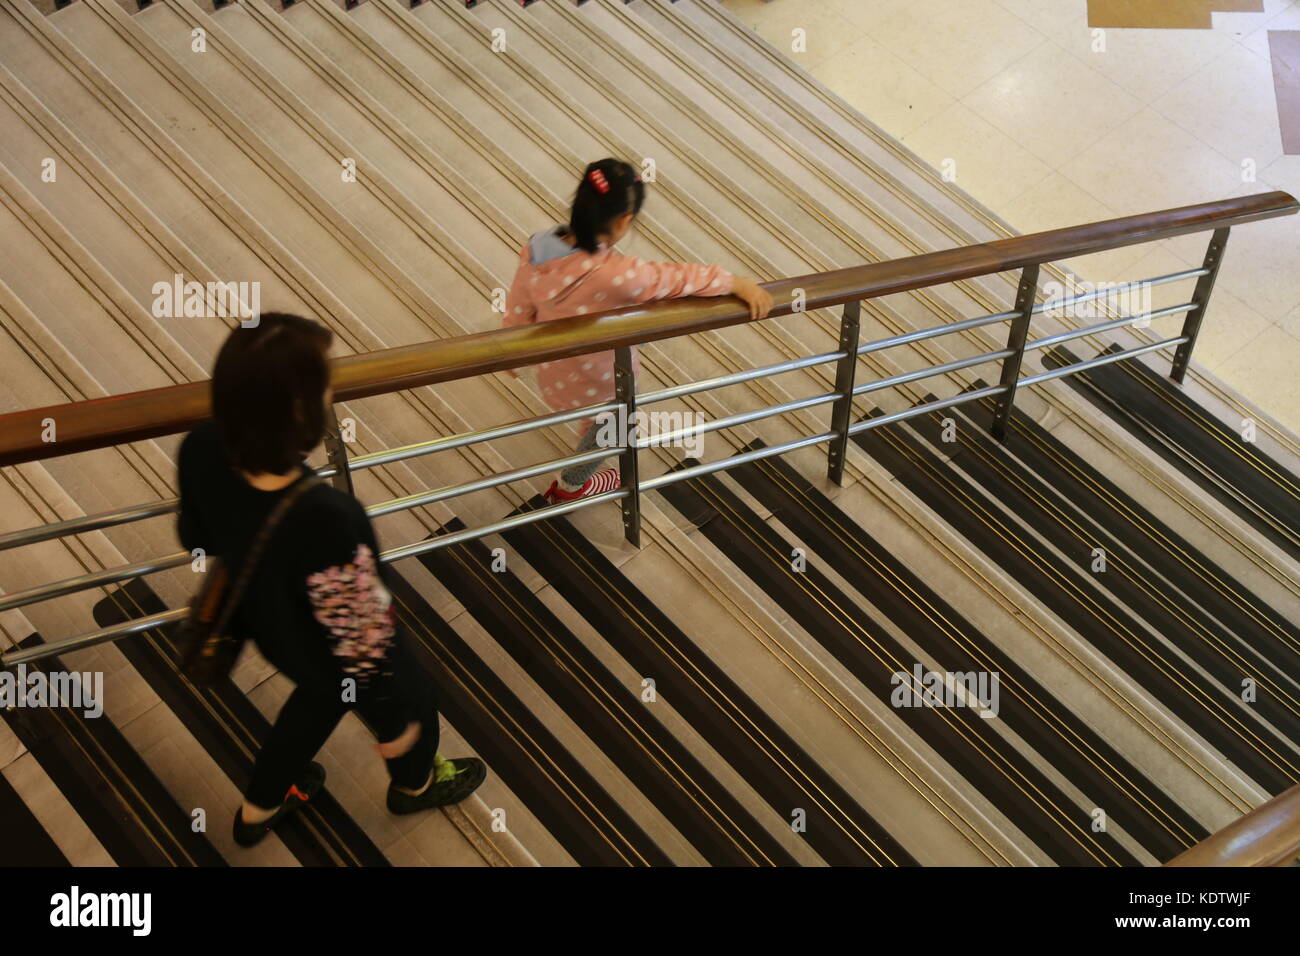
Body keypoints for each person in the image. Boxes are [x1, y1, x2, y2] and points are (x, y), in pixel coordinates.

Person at [177, 313, 485, 849]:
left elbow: (194, 534)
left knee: (319, 697)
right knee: (409, 695)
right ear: (299, 414)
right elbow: (363, 646)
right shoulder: (327, 516)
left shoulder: (200, 446)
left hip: (267, 623)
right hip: (329, 645)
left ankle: (260, 807)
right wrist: (397, 726)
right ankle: (415, 783)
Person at [504, 158, 773, 503]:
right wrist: (735, 282)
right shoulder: (620, 275)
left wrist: (510, 348)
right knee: (614, 427)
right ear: (624, 222)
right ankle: (571, 486)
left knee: (592, 421)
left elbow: (519, 301)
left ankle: (579, 459)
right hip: (604, 379)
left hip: (556, 372)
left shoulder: (538, 246)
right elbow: (676, 280)